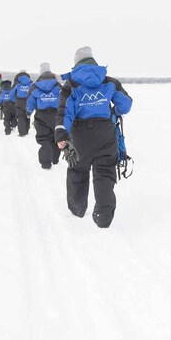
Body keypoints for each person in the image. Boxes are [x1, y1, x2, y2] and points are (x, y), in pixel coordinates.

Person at [55, 46, 132, 228]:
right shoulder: (109, 81)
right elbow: (126, 105)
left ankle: (78, 209)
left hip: (80, 136)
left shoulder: (71, 85)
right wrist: (115, 110)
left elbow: (65, 112)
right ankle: (103, 216)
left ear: (76, 63)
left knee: (77, 170)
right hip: (106, 133)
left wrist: (61, 133)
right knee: (105, 172)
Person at [26, 62, 62, 169]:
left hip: (41, 117)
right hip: (57, 115)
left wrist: (28, 112)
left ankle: (46, 163)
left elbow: (30, 102)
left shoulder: (34, 87)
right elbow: (65, 99)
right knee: (56, 137)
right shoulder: (58, 85)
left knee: (44, 139)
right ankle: (55, 159)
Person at [12, 69, 33, 137]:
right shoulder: (30, 83)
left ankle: (22, 132)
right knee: (27, 116)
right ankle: (26, 131)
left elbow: (11, 94)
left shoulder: (17, 83)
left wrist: (14, 100)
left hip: (19, 101)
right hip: (28, 101)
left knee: (20, 116)